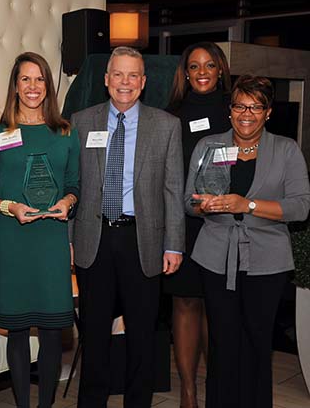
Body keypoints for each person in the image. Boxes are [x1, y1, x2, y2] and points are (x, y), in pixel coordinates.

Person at [185, 75, 310, 408]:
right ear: (230, 110)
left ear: (268, 112)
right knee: (222, 344)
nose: (246, 113)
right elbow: (189, 201)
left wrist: (248, 205)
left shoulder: (286, 150)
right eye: (240, 105)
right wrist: (205, 205)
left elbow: (300, 207)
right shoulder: (208, 146)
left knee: (257, 342)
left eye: (256, 107)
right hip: (215, 258)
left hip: (267, 262)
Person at [70, 46, 185, 408]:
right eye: (118, 74)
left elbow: (173, 189)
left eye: (133, 75)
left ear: (144, 81)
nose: (125, 82)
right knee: (95, 334)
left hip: (144, 240)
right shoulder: (80, 121)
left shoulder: (166, 125)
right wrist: (67, 242)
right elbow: (71, 186)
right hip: (94, 239)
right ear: (106, 80)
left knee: (141, 335)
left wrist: (174, 245)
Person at [0, 52, 80, 408]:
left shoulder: (65, 133)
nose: (33, 87)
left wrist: (67, 202)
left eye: (39, 79)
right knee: (17, 333)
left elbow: (74, 185)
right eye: (25, 79)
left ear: (48, 86)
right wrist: (9, 207)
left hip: (51, 241)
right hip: (13, 240)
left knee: (53, 333)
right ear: (15, 86)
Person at [164, 41, 232, 408]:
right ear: (185, 73)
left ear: (220, 70)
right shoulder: (170, 115)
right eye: (194, 67)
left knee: (217, 306)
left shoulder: (236, 111)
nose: (202, 72)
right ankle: (188, 394)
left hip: (226, 223)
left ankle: (216, 391)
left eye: (209, 65)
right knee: (186, 303)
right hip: (184, 224)